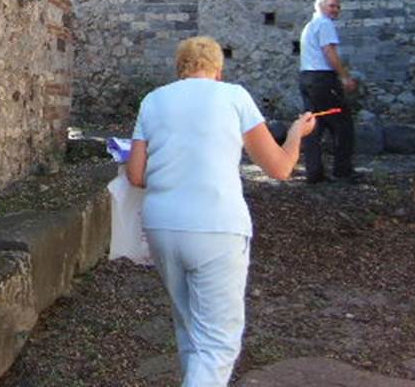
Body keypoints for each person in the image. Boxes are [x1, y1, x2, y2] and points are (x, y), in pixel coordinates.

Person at [127, 36, 315, 387]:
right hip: (217, 225)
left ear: (179, 68)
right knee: (217, 343)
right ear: (218, 69)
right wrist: (295, 134)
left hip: (162, 225)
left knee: (189, 330)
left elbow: (136, 175)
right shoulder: (234, 97)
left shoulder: (153, 101)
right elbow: (279, 168)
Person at [298, 0, 358, 184]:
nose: (336, 10)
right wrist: (345, 77)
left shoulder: (309, 25)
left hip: (307, 78)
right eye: (332, 5)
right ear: (321, 6)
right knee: (343, 124)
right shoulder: (324, 24)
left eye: (338, 6)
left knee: (314, 126)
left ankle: (314, 173)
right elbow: (329, 51)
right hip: (323, 80)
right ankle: (342, 171)